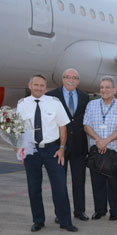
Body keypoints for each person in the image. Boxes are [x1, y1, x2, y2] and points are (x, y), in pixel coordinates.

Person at [17, 75, 78, 232]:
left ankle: (65, 221)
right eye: (35, 85)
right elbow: (17, 128)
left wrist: (62, 148)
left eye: (42, 85)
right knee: (33, 188)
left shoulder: (54, 103)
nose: (38, 88)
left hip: (52, 150)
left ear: (46, 87)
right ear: (29, 85)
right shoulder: (22, 105)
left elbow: (62, 126)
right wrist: (17, 146)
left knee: (60, 187)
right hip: (31, 151)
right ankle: (38, 220)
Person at [46, 68, 90, 221]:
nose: (71, 80)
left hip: (79, 146)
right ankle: (61, 213)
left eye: (74, 77)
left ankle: (80, 211)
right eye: (67, 77)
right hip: (59, 148)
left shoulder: (85, 97)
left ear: (78, 80)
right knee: (59, 183)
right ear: (62, 79)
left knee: (79, 181)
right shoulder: (51, 96)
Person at [83, 76, 117, 221]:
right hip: (97, 150)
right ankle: (99, 210)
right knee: (97, 183)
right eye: (102, 87)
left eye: (107, 87)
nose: (104, 90)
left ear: (114, 90)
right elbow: (86, 125)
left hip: (115, 150)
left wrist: (106, 141)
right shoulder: (92, 105)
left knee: (115, 183)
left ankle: (115, 211)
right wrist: (99, 141)